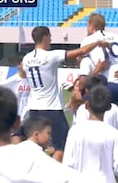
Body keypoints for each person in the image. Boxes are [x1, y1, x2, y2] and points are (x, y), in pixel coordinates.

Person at [22, 26, 109, 162]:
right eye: (49, 37)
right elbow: (82, 50)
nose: (51, 40)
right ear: (45, 37)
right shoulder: (50, 56)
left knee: (37, 144)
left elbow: (22, 73)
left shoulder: (26, 59)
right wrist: (98, 42)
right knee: (63, 146)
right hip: (51, 108)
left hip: (33, 107)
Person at [63, 85, 118, 183]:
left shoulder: (75, 131)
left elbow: (68, 163)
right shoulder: (114, 134)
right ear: (109, 107)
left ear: (87, 105)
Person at [78, 13, 118, 117]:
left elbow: (81, 59)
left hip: (110, 85)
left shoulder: (87, 40)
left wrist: (96, 70)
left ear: (91, 26)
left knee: (83, 97)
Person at [1, 56, 31, 144]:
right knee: (15, 146)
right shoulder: (11, 81)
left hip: (30, 118)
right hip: (16, 119)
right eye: (25, 64)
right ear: (18, 65)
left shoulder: (33, 80)